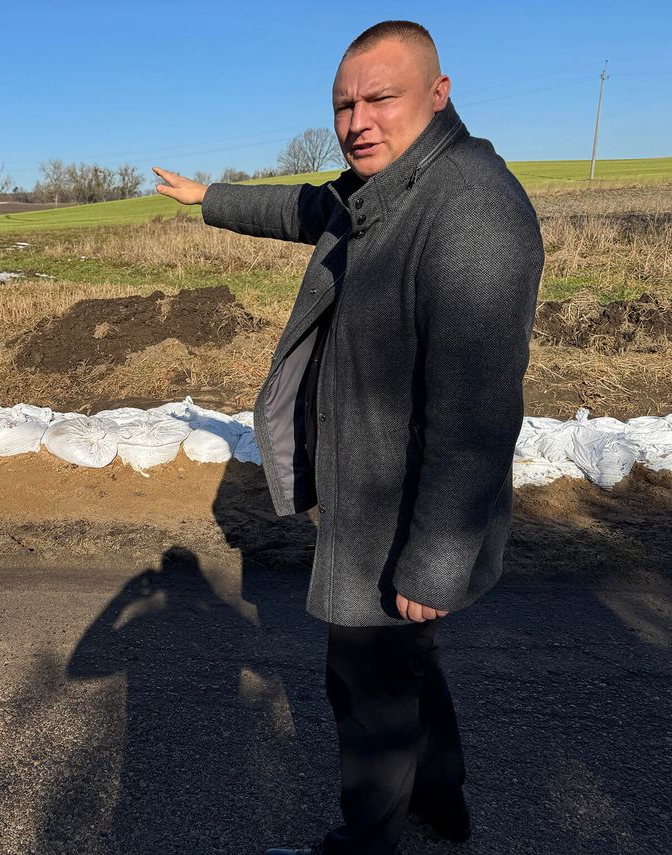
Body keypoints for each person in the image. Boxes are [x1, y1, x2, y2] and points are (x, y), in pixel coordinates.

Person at [153, 19, 544, 855]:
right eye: (343, 105)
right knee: (406, 665)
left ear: (438, 94)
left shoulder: (470, 211)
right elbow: (305, 207)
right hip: (374, 497)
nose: (357, 121)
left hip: (400, 515)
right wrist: (206, 198)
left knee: (365, 688)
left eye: (380, 98)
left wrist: (434, 561)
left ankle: (366, 844)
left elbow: (476, 415)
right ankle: (442, 803)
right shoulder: (391, 187)